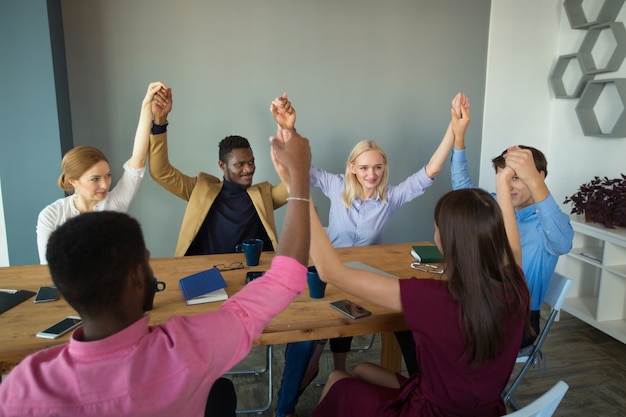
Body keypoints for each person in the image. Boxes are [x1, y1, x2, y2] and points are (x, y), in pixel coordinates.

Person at [0, 128, 312, 417]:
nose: (247, 169)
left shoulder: (21, 385)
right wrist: (297, 165)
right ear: (138, 279)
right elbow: (284, 279)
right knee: (221, 390)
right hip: (208, 286)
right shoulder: (188, 347)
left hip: (239, 275)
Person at [302, 120, 531, 416]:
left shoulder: (432, 298)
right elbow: (513, 252)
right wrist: (502, 183)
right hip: (484, 408)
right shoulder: (515, 289)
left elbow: (333, 273)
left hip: (428, 411)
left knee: (337, 380)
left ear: (445, 242)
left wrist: (301, 196)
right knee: (364, 369)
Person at [269, 92, 470, 417]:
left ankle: (409, 387)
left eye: (377, 167)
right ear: (352, 168)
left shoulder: (390, 197)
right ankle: (285, 408)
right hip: (325, 274)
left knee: (401, 323)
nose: (371, 174)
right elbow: (300, 167)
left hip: (363, 279)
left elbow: (429, 172)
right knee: (307, 343)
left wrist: (454, 129)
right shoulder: (335, 186)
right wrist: (287, 126)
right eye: (364, 167)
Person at [451, 134, 573, 348]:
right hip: (483, 307)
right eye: (502, 178)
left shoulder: (546, 224)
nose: (508, 186)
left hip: (520, 322)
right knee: (411, 323)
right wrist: (459, 137)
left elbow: (563, 244)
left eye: (515, 177)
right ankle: (425, 380)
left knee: (433, 332)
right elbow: (463, 190)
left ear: (538, 177)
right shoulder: (497, 203)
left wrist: (533, 180)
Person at [36, 82, 168, 264]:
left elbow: (138, 159)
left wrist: (146, 105)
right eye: (95, 179)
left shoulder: (115, 202)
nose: (105, 185)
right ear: (73, 181)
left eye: (108, 175)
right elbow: (49, 266)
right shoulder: (51, 215)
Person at [149, 86, 288, 256]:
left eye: (251, 162)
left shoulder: (263, 195)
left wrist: (286, 128)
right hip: (208, 275)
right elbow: (160, 172)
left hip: (251, 274)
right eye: (240, 164)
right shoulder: (200, 189)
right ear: (222, 165)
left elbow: (295, 182)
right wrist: (160, 120)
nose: (249, 169)